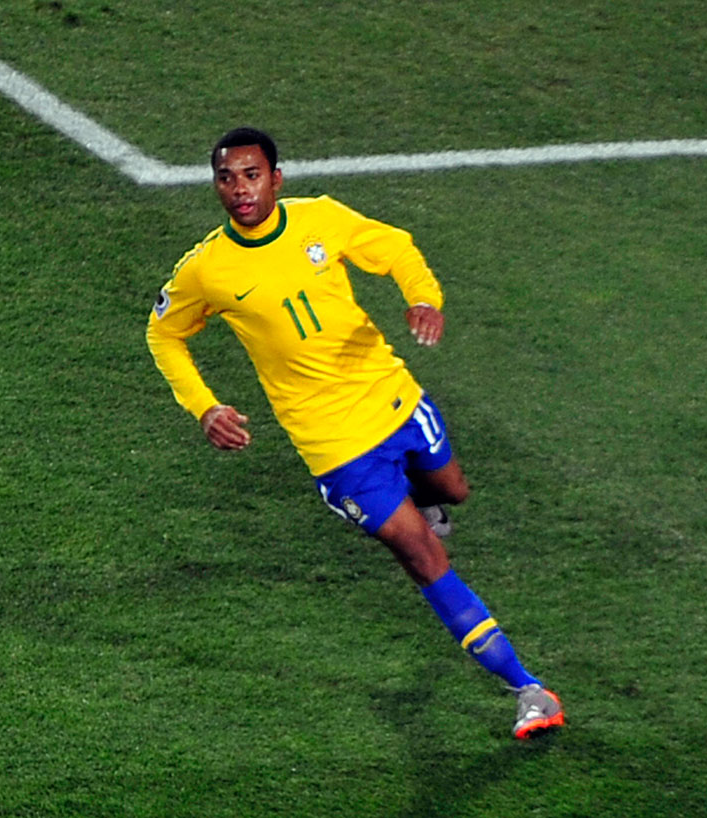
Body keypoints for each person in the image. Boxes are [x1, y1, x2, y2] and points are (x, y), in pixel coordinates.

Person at [145, 126, 563, 740]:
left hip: (391, 397)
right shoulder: (205, 270)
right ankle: (528, 688)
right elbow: (163, 333)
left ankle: (426, 498)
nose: (239, 189)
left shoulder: (322, 218)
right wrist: (204, 407)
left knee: (454, 490)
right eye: (226, 177)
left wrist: (424, 298)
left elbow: (394, 247)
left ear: (277, 180)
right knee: (422, 556)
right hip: (333, 445)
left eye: (251, 174)